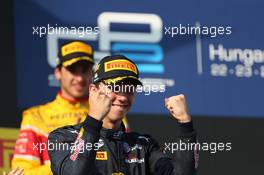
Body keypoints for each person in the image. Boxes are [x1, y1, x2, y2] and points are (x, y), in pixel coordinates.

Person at [48, 55, 197, 175]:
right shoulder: (63, 137)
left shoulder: (143, 145)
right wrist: (93, 119)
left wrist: (185, 126)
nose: (123, 97)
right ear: (93, 90)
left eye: (129, 89)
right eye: (115, 87)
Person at [12, 42, 130, 175]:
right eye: (72, 70)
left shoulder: (109, 110)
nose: (79, 78)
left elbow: (128, 162)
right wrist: (65, 162)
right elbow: (22, 172)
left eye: (85, 70)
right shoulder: (36, 116)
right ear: (58, 72)